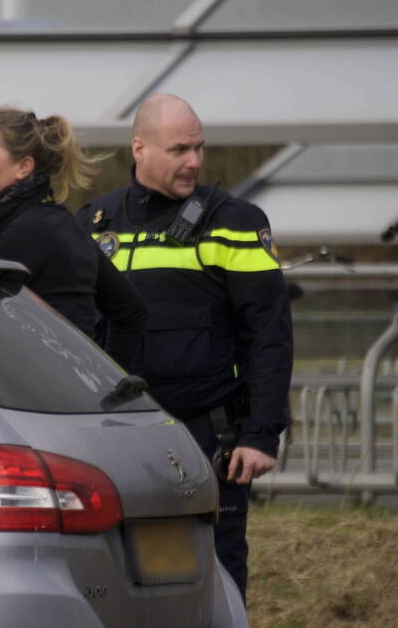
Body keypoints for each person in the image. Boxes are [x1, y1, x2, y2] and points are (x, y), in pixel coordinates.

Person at [77, 93, 293, 601]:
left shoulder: (235, 222)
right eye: (178, 150)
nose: (194, 161)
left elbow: (270, 334)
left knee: (214, 582)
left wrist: (261, 434)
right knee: (121, 583)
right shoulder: (95, 222)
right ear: (139, 149)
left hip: (208, 439)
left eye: (198, 148)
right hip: (120, 440)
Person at [0, 106, 146, 370]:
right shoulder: (60, 223)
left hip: (43, 400)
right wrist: (108, 384)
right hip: (70, 398)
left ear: (23, 167)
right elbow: (131, 310)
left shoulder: (27, 233)